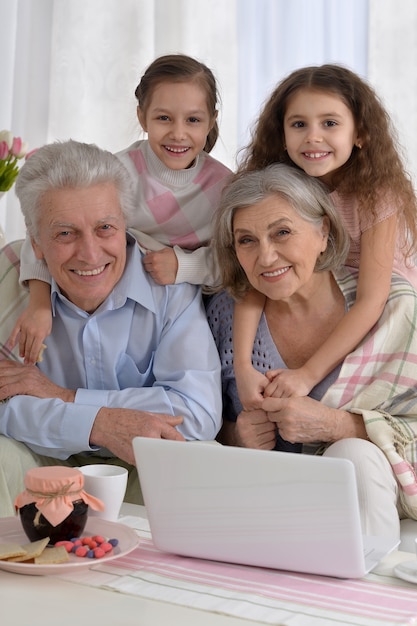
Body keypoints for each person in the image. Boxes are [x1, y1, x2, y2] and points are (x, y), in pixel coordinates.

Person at [0, 139, 222, 517]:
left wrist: (67, 398)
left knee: (205, 458)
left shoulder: (170, 288)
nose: (90, 254)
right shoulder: (8, 278)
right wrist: (97, 424)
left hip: (143, 463)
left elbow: (197, 413)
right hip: (42, 461)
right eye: (65, 234)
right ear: (36, 244)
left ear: (125, 225)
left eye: (105, 228)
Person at [207, 163, 417, 540]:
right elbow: (199, 429)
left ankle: (361, 595)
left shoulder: (395, 309)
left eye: (282, 233)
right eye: (246, 240)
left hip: (371, 508)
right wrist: (237, 437)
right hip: (262, 510)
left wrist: (337, 426)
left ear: (324, 232)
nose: (266, 258)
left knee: (352, 456)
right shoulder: (224, 314)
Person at [10, 53, 232, 364]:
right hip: (120, 299)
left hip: (191, 305)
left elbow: (239, 261)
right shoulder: (117, 173)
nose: (178, 133)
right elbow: (41, 232)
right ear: (142, 117)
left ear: (212, 120)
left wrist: (184, 266)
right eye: (163, 118)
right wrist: (39, 304)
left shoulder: (225, 188)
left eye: (193, 120)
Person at [231, 64, 417, 410]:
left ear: (359, 133)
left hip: (379, 304)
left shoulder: (376, 195)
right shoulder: (280, 188)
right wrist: (242, 366)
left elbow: (371, 301)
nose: (313, 137)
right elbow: (252, 283)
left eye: (329, 123)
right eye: (299, 124)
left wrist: (307, 374)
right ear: (281, 134)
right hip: (318, 289)